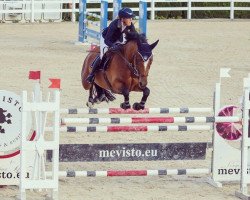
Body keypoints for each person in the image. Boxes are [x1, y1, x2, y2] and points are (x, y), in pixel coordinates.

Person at [86, 7, 138, 83]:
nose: (131, 20)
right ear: (122, 19)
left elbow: (135, 36)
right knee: (103, 54)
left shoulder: (130, 24)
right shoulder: (114, 25)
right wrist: (113, 46)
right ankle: (91, 75)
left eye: (131, 18)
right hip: (106, 39)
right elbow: (107, 40)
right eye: (129, 18)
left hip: (118, 39)